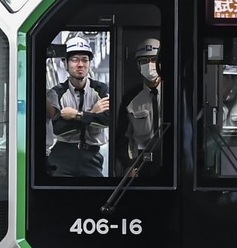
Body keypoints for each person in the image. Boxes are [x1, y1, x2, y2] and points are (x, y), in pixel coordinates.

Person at [46, 35, 110, 177]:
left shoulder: (101, 89)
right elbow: (57, 128)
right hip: (62, 155)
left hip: (92, 156)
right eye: (75, 60)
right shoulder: (56, 92)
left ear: (89, 63)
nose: (80, 64)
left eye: (84, 60)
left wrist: (77, 115)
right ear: (66, 63)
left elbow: (107, 119)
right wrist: (92, 114)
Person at [116, 38, 164, 177]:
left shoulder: (175, 93)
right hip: (141, 163)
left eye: (154, 60)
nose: (149, 65)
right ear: (138, 65)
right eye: (144, 61)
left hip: (172, 160)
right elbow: (122, 138)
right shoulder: (130, 98)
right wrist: (128, 165)